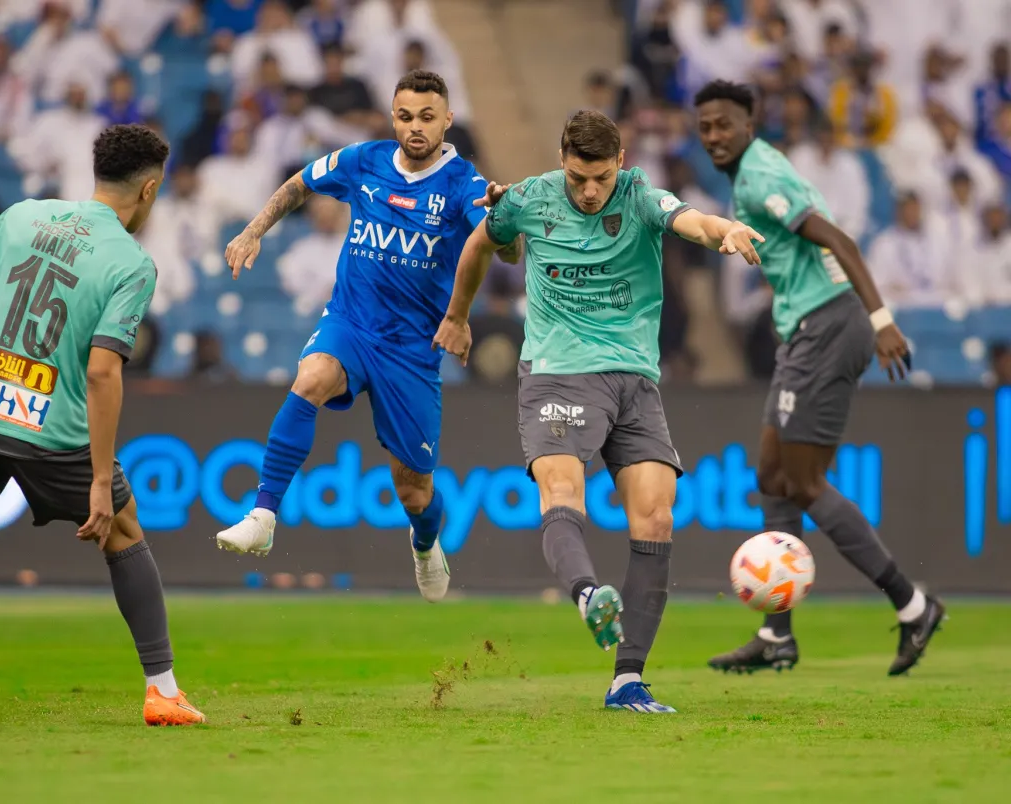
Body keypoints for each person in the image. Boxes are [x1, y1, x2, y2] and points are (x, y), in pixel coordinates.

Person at [433, 109, 764, 714]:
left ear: (620, 167)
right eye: (580, 178)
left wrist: (725, 230)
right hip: (559, 369)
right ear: (564, 160)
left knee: (657, 517)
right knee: (562, 489)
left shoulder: (639, 196)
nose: (590, 192)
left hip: (635, 379)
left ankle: (626, 681)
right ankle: (588, 595)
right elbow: (486, 240)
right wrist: (457, 315)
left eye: (601, 179)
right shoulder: (530, 198)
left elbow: (689, 220)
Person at [0, 124, 205, 729]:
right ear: (150, 191)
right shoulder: (132, 264)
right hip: (51, 426)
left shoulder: (19, 216)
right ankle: (161, 692)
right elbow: (104, 374)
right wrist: (98, 478)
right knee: (125, 531)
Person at [216, 70, 516, 603]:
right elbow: (300, 184)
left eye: (428, 117)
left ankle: (426, 544)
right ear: (392, 116)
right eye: (405, 116)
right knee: (311, 378)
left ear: (447, 120)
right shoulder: (364, 161)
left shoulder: (464, 183)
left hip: (412, 351)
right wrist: (252, 230)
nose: (415, 127)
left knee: (414, 489)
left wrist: (503, 220)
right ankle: (263, 513)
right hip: (351, 324)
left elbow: (503, 250)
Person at [693, 80, 945, 677]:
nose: (714, 136)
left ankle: (913, 606)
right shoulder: (756, 170)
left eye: (724, 124)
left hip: (830, 324)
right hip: (807, 329)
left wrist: (881, 320)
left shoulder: (760, 177)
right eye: (704, 127)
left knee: (803, 481)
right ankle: (775, 635)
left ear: (749, 123)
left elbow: (837, 237)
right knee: (772, 474)